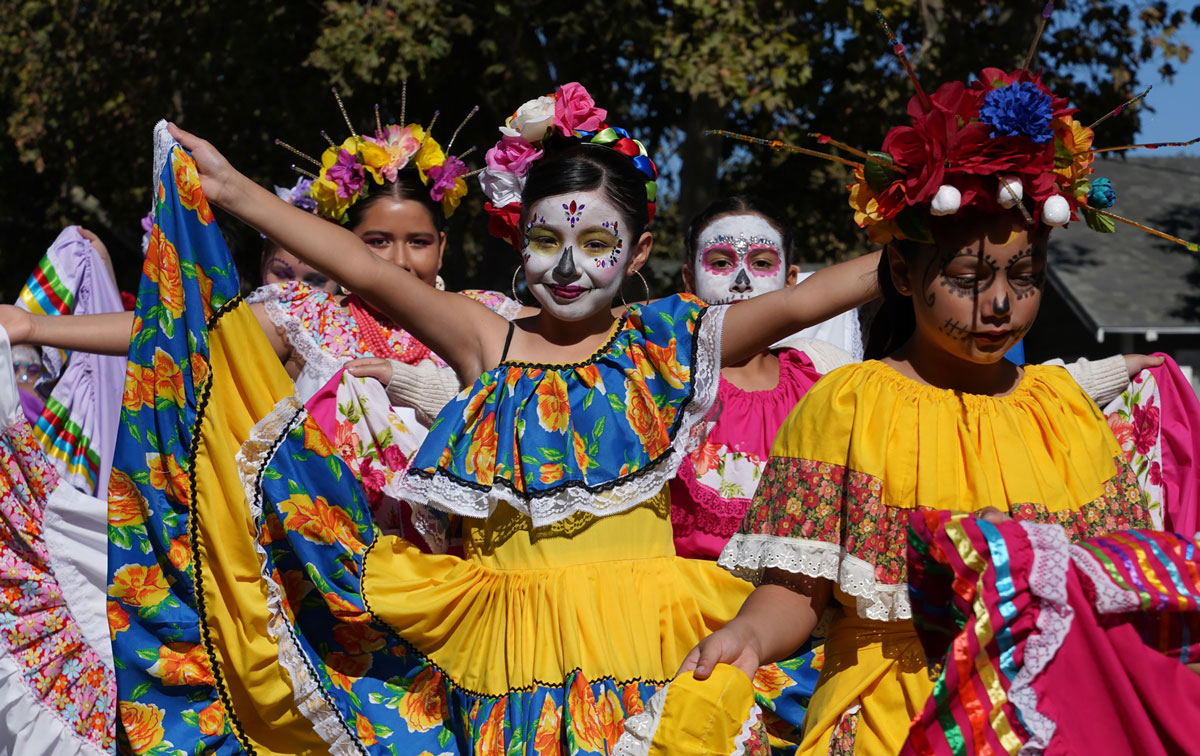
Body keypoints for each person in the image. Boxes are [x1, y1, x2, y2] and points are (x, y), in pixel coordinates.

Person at [143, 79, 881, 753]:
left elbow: (803, 300)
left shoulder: (670, 341)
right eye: (546, 241)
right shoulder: (484, 339)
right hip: (503, 646)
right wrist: (235, 191)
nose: (567, 266)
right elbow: (362, 267)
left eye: (596, 244)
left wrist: (924, 241)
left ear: (638, 253)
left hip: (652, 634)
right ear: (517, 240)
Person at [679, 60, 1186, 754]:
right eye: (969, 278)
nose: (1002, 302)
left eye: (1027, 277)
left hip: (1048, 720)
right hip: (896, 721)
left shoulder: (1063, 412)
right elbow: (796, 592)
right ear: (901, 274)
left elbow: (1115, 591)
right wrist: (748, 635)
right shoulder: (848, 405)